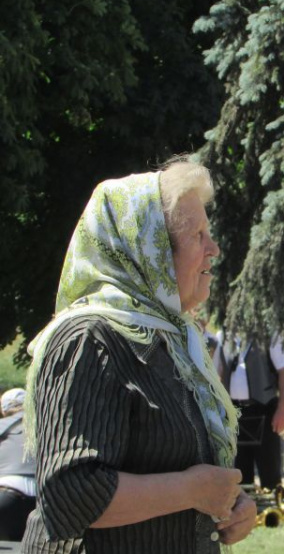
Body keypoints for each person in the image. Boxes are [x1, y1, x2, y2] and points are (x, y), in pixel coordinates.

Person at [21, 158, 256, 553]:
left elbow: (185, 466)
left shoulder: (179, 345)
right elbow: (69, 492)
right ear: (149, 250)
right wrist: (190, 491)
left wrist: (232, 506)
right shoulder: (88, 338)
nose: (213, 249)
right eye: (197, 235)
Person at [223, 334, 284, 489]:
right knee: (240, 471)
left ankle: (272, 510)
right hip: (236, 411)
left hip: (264, 408)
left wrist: (282, 409)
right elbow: (220, 372)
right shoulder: (225, 335)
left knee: (269, 469)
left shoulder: (270, 335)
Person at [0, 388, 36, 541]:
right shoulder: (48, 425)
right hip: (45, 502)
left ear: (4, 410)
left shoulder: (3, 424)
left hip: (6, 495)